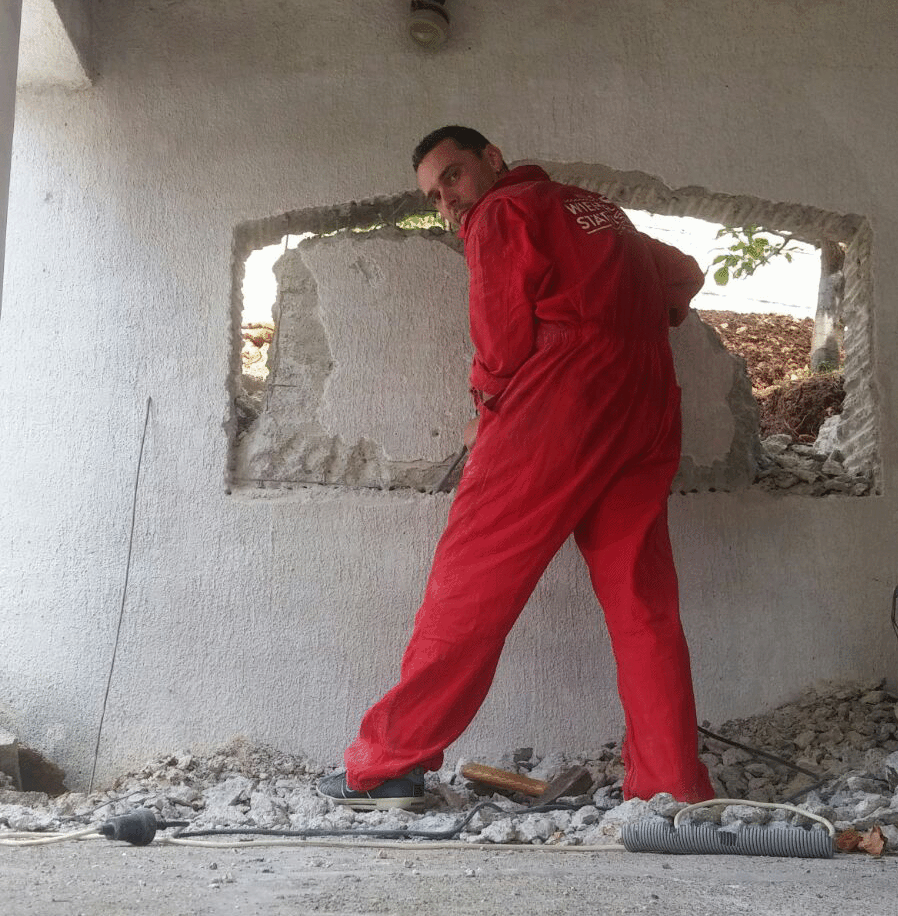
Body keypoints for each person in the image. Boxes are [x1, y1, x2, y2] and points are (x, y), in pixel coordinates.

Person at [318, 126, 714, 811]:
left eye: (454, 177)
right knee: (642, 602)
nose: (448, 201)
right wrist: (636, 324)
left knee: (470, 583)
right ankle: (672, 785)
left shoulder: (502, 210)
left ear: (492, 162)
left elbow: (500, 336)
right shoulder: (594, 208)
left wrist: (490, 404)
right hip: (647, 402)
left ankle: (388, 765)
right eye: (434, 194)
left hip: (561, 400)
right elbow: (681, 273)